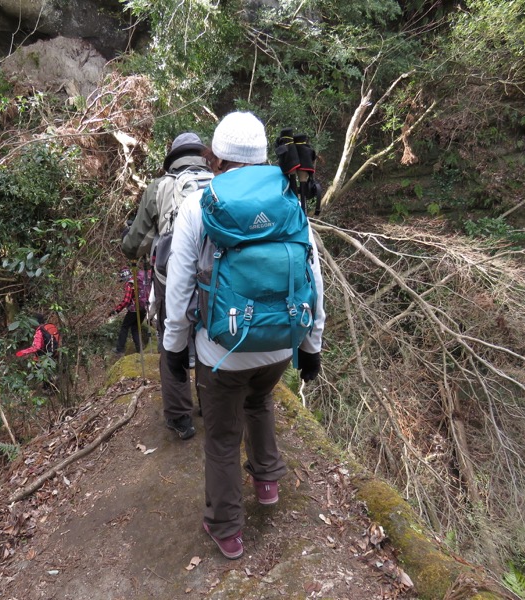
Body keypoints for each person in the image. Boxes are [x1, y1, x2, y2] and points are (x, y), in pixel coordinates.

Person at [162, 112, 325, 560]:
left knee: (220, 436)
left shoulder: (200, 203)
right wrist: (312, 346)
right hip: (279, 345)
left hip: (222, 350)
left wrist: (175, 348)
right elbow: (313, 277)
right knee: (260, 401)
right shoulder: (290, 198)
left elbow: (178, 290)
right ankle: (268, 482)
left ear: (217, 157)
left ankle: (227, 529)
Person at [122, 132, 211, 440]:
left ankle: (180, 418)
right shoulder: (221, 180)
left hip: (171, 275)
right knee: (208, 335)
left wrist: (129, 247)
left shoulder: (160, 187)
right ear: (202, 155)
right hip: (216, 276)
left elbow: (135, 243)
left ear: (172, 157)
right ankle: (210, 406)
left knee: (171, 337)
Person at [109, 267, 146, 357]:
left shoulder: (130, 284)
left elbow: (126, 300)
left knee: (124, 327)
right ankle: (140, 349)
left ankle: (119, 350)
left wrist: (116, 310)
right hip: (143, 308)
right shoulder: (139, 281)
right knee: (135, 328)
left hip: (134, 309)